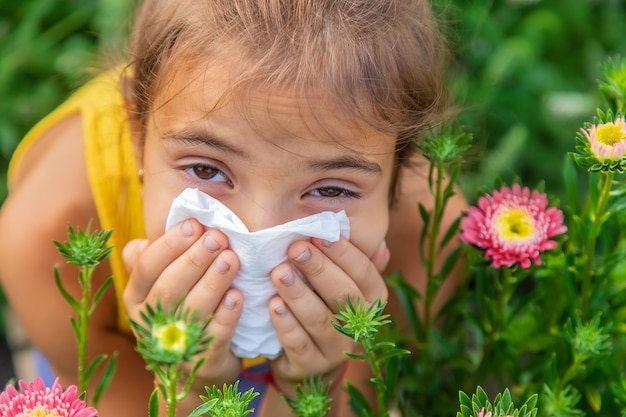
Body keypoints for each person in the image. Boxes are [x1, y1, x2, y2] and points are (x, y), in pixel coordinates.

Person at [0, 0, 466, 415]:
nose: (257, 236)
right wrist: (185, 387)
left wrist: (310, 391)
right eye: (206, 171)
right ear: (138, 136)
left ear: (400, 172)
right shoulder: (45, 240)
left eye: (330, 190)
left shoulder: (428, 238)